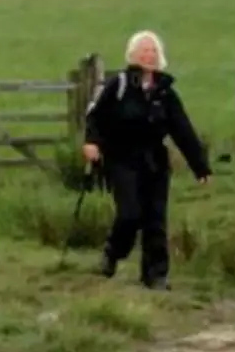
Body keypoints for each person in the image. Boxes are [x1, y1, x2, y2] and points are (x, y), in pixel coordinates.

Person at [82, 30, 212, 290]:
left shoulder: (165, 92)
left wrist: (200, 166)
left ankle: (156, 275)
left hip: (155, 162)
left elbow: (182, 130)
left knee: (155, 219)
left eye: (153, 51)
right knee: (129, 214)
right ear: (133, 55)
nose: (149, 55)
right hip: (122, 158)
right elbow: (96, 116)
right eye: (144, 50)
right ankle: (112, 253)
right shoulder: (118, 85)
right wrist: (92, 142)